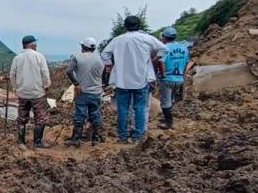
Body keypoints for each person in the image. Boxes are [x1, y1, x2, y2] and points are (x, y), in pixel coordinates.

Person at [101, 16, 167, 144]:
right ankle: (138, 137)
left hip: (122, 81)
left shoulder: (117, 40)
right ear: (139, 25)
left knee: (123, 109)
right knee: (140, 108)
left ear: (125, 26)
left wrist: (110, 65)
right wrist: (154, 59)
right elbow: (164, 49)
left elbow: (104, 54)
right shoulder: (146, 38)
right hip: (141, 80)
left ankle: (122, 137)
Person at [10, 35, 52, 148]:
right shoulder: (39, 57)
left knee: (22, 117)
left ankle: (21, 141)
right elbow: (45, 73)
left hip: (22, 93)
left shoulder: (17, 58)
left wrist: (16, 88)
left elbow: (12, 75)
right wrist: (47, 85)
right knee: (40, 117)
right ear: (32, 45)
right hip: (37, 93)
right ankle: (37, 142)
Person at [65, 37, 105, 147]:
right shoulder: (100, 59)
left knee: (80, 115)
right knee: (95, 115)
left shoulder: (77, 57)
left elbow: (68, 71)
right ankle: (95, 139)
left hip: (82, 92)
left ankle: (76, 139)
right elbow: (104, 74)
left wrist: (76, 84)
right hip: (96, 92)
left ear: (83, 47)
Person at [156, 27, 190, 129]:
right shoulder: (184, 48)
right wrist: (182, 75)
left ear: (164, 37)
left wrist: (162, 74)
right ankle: (167, 118)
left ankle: (168, 123)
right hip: (179, 78)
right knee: (172, 99)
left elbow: (161, 61)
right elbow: (187, 62)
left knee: (165, 101)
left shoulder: (164, 48)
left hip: (167, 78)